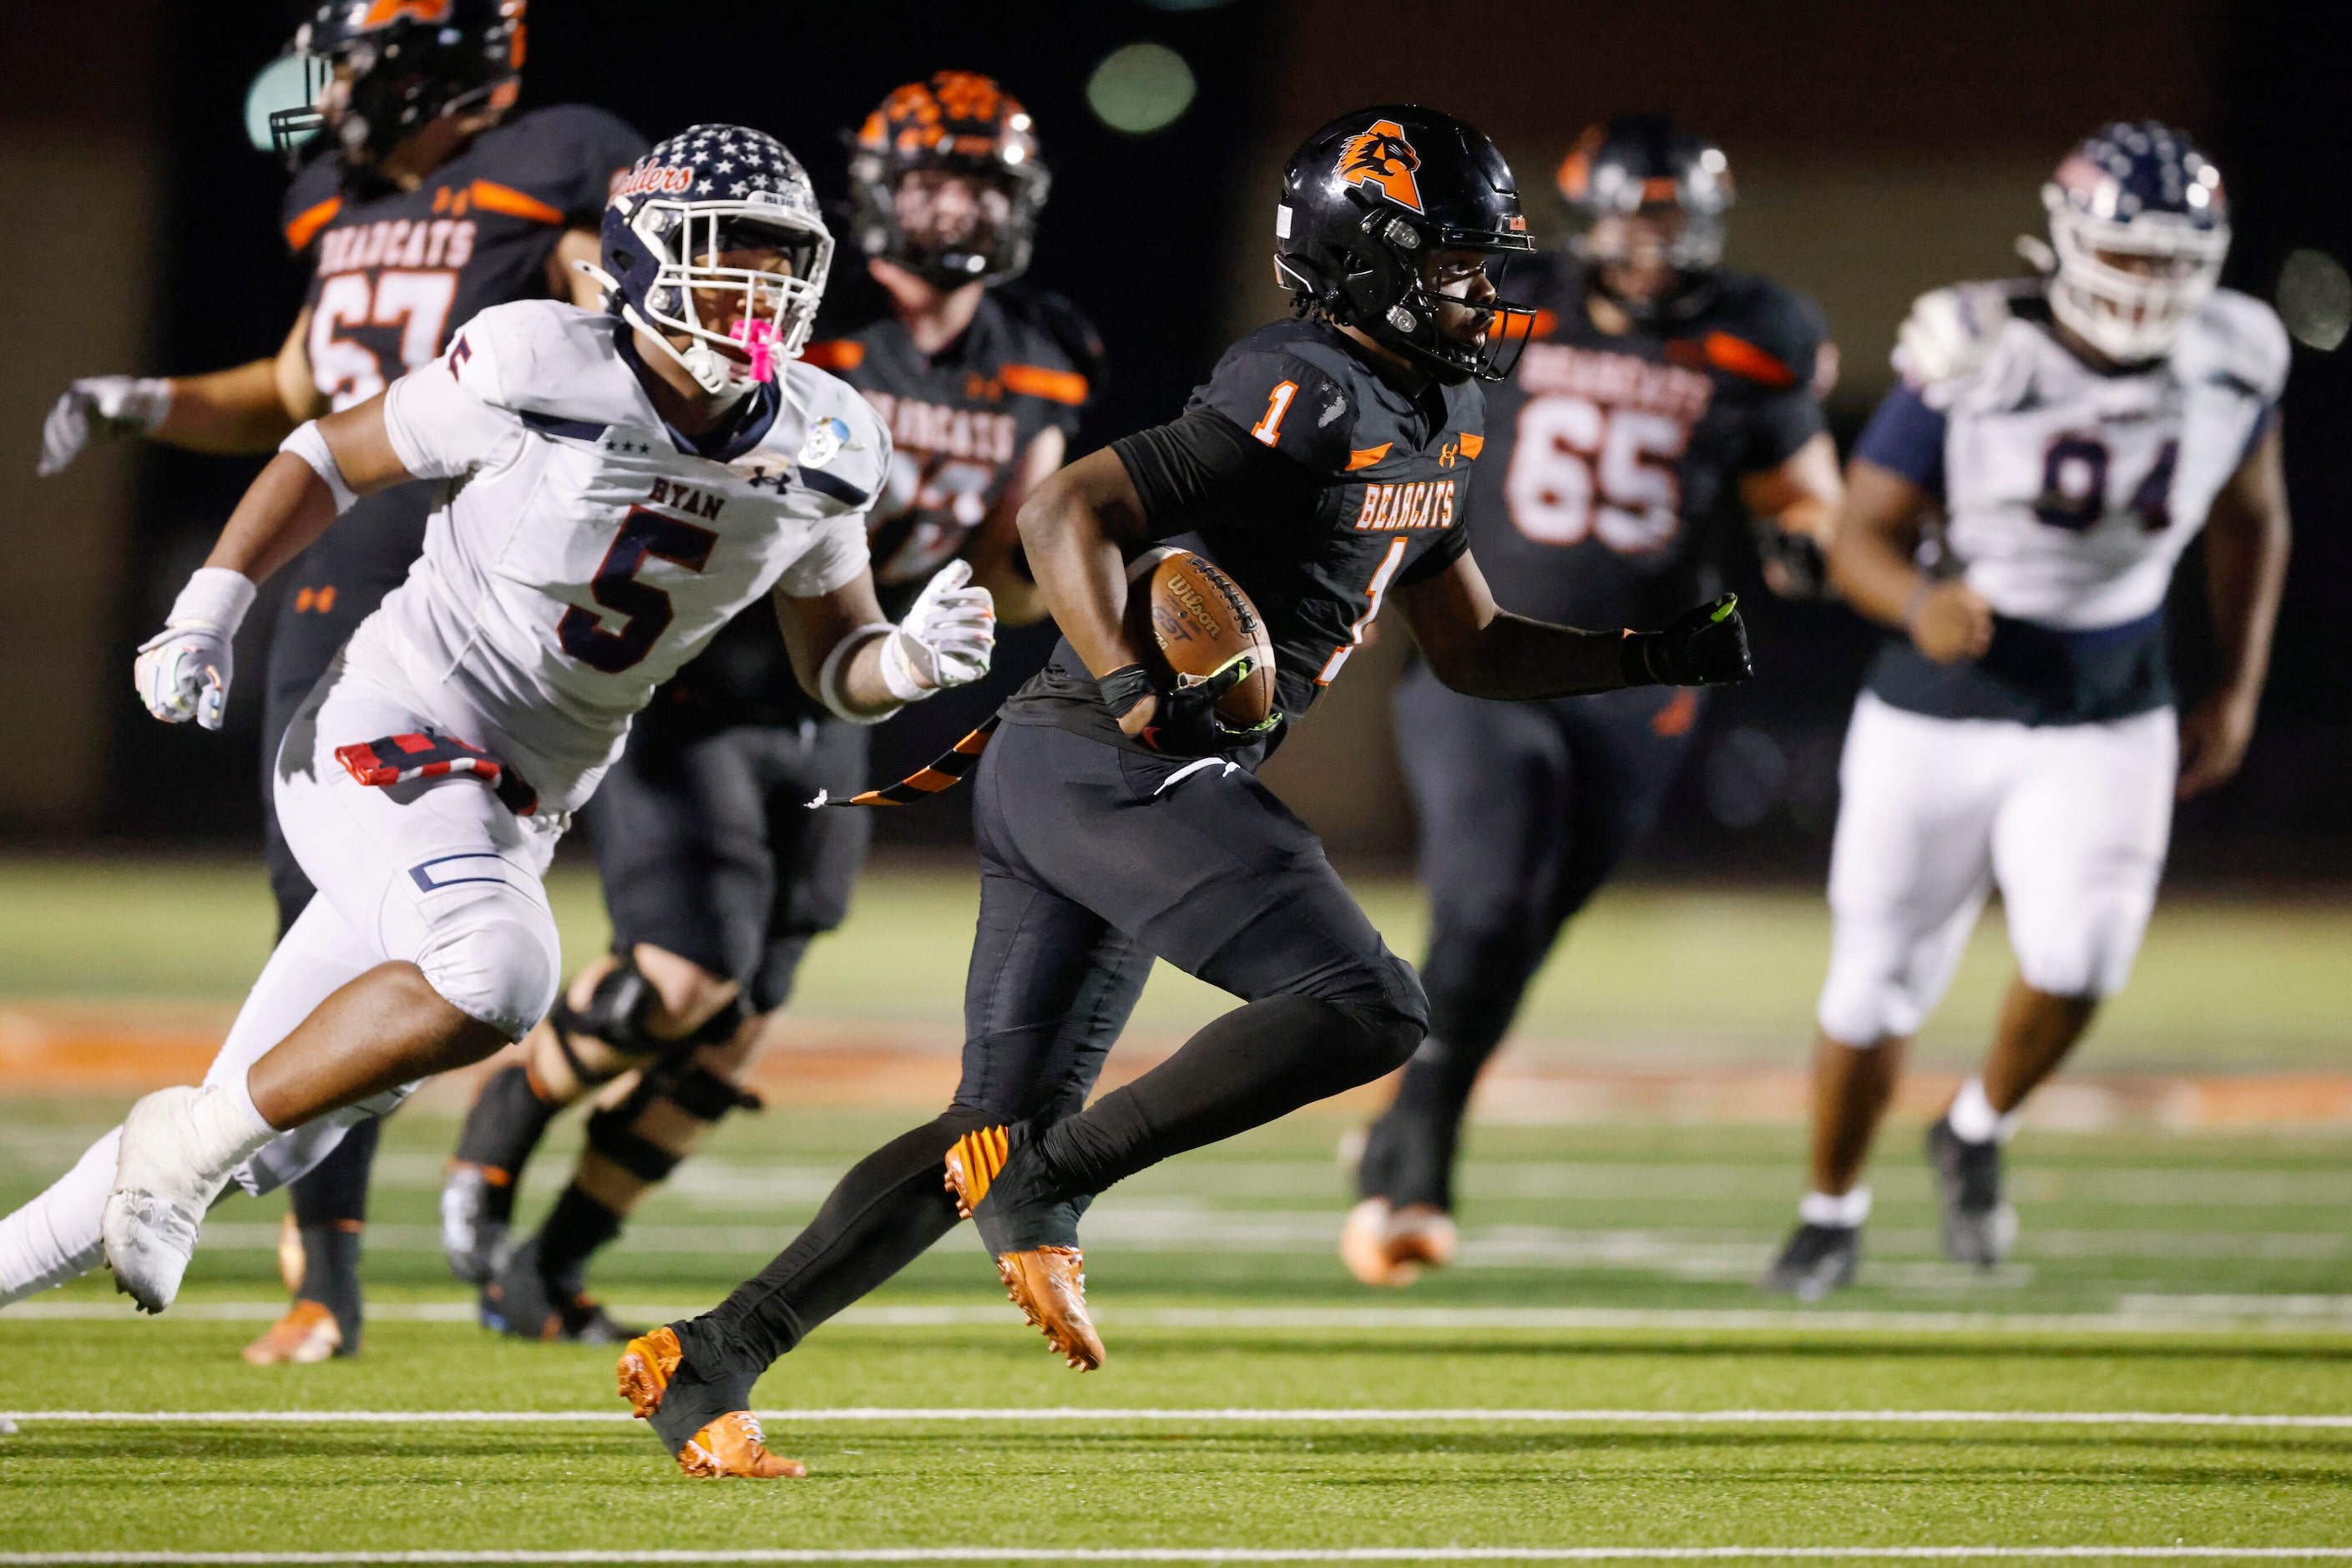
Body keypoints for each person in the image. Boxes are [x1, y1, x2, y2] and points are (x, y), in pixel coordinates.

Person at [609, 105, 1753, 1482]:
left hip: (1102, 769)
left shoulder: (1443, 405)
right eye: (1451, 263)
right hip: (1108, 755)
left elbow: (1472, 646)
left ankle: (707, 1354)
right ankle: (1051, 1185)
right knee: (1366, 1003)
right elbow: (1065, 514)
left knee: (989, 1124)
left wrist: (1646, 654)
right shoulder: (1302, 382)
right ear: (1363, 257)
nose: (1480, 291)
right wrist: (1133, 684)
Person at [0, 128, 998, 1348]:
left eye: (779, 265)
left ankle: (175, 1154)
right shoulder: (540, 357)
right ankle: (185, 1145)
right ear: (637, 255)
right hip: (394, 729)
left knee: (262, 1126)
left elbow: (835, 666)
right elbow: (329, 448)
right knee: (497, 969)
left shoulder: (830, 440)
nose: (757, 295)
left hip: (519, 800)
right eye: (722, 259)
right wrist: (208, 609)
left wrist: (905, 662)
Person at [438, 71, 1105, 1345]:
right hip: (697, 679)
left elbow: (1018, 566)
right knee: (684, 975)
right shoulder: (810, 308)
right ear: (868, 194)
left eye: (978, 181)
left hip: (841, 689)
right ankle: (498, 1134)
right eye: (928, 180)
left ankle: (557, 1260)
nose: (953, 207)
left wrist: (1097, 581)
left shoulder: (1046, 353)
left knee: (740, 1022)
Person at [34, 0, 646, 1363]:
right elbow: (304, 391)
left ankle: (297, 1257)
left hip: (455, 552)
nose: (335, 92)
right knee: (322, 907)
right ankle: (313, 1262)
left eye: (359, 63)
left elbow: (629, 326)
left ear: (437, 66)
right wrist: (145, 402)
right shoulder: (335, 198)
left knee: (402, 933)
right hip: (335, 551)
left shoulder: (561, 154)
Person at [1760, 121, 2290, 1299]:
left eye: (2170, 258)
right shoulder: (1977, 345)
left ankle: (1975, 1123)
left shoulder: (2239, 351)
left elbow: (2253, 517)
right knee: (1875, 978)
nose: (2147, 283)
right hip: (1938, 705)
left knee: (2084, 954)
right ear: (2068, 241)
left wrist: (2238, 685)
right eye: (2127, 253)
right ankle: (1827, 1209)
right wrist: (1916, 604)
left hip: (2110, 702)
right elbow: (1858, 535)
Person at [1339, 114, 1844, 1285]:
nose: (1655, 246)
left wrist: (1804, 539)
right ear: (1585, 220)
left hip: (1641, 683)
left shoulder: (1755, 331)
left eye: (1674, 221)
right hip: (1490, 655)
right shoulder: (1508, 300)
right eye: (1634, 217)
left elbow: (1799, 488)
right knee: (1484, 906)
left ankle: (1407, 1114)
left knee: (1518, 936)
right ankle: (1413, 1167)